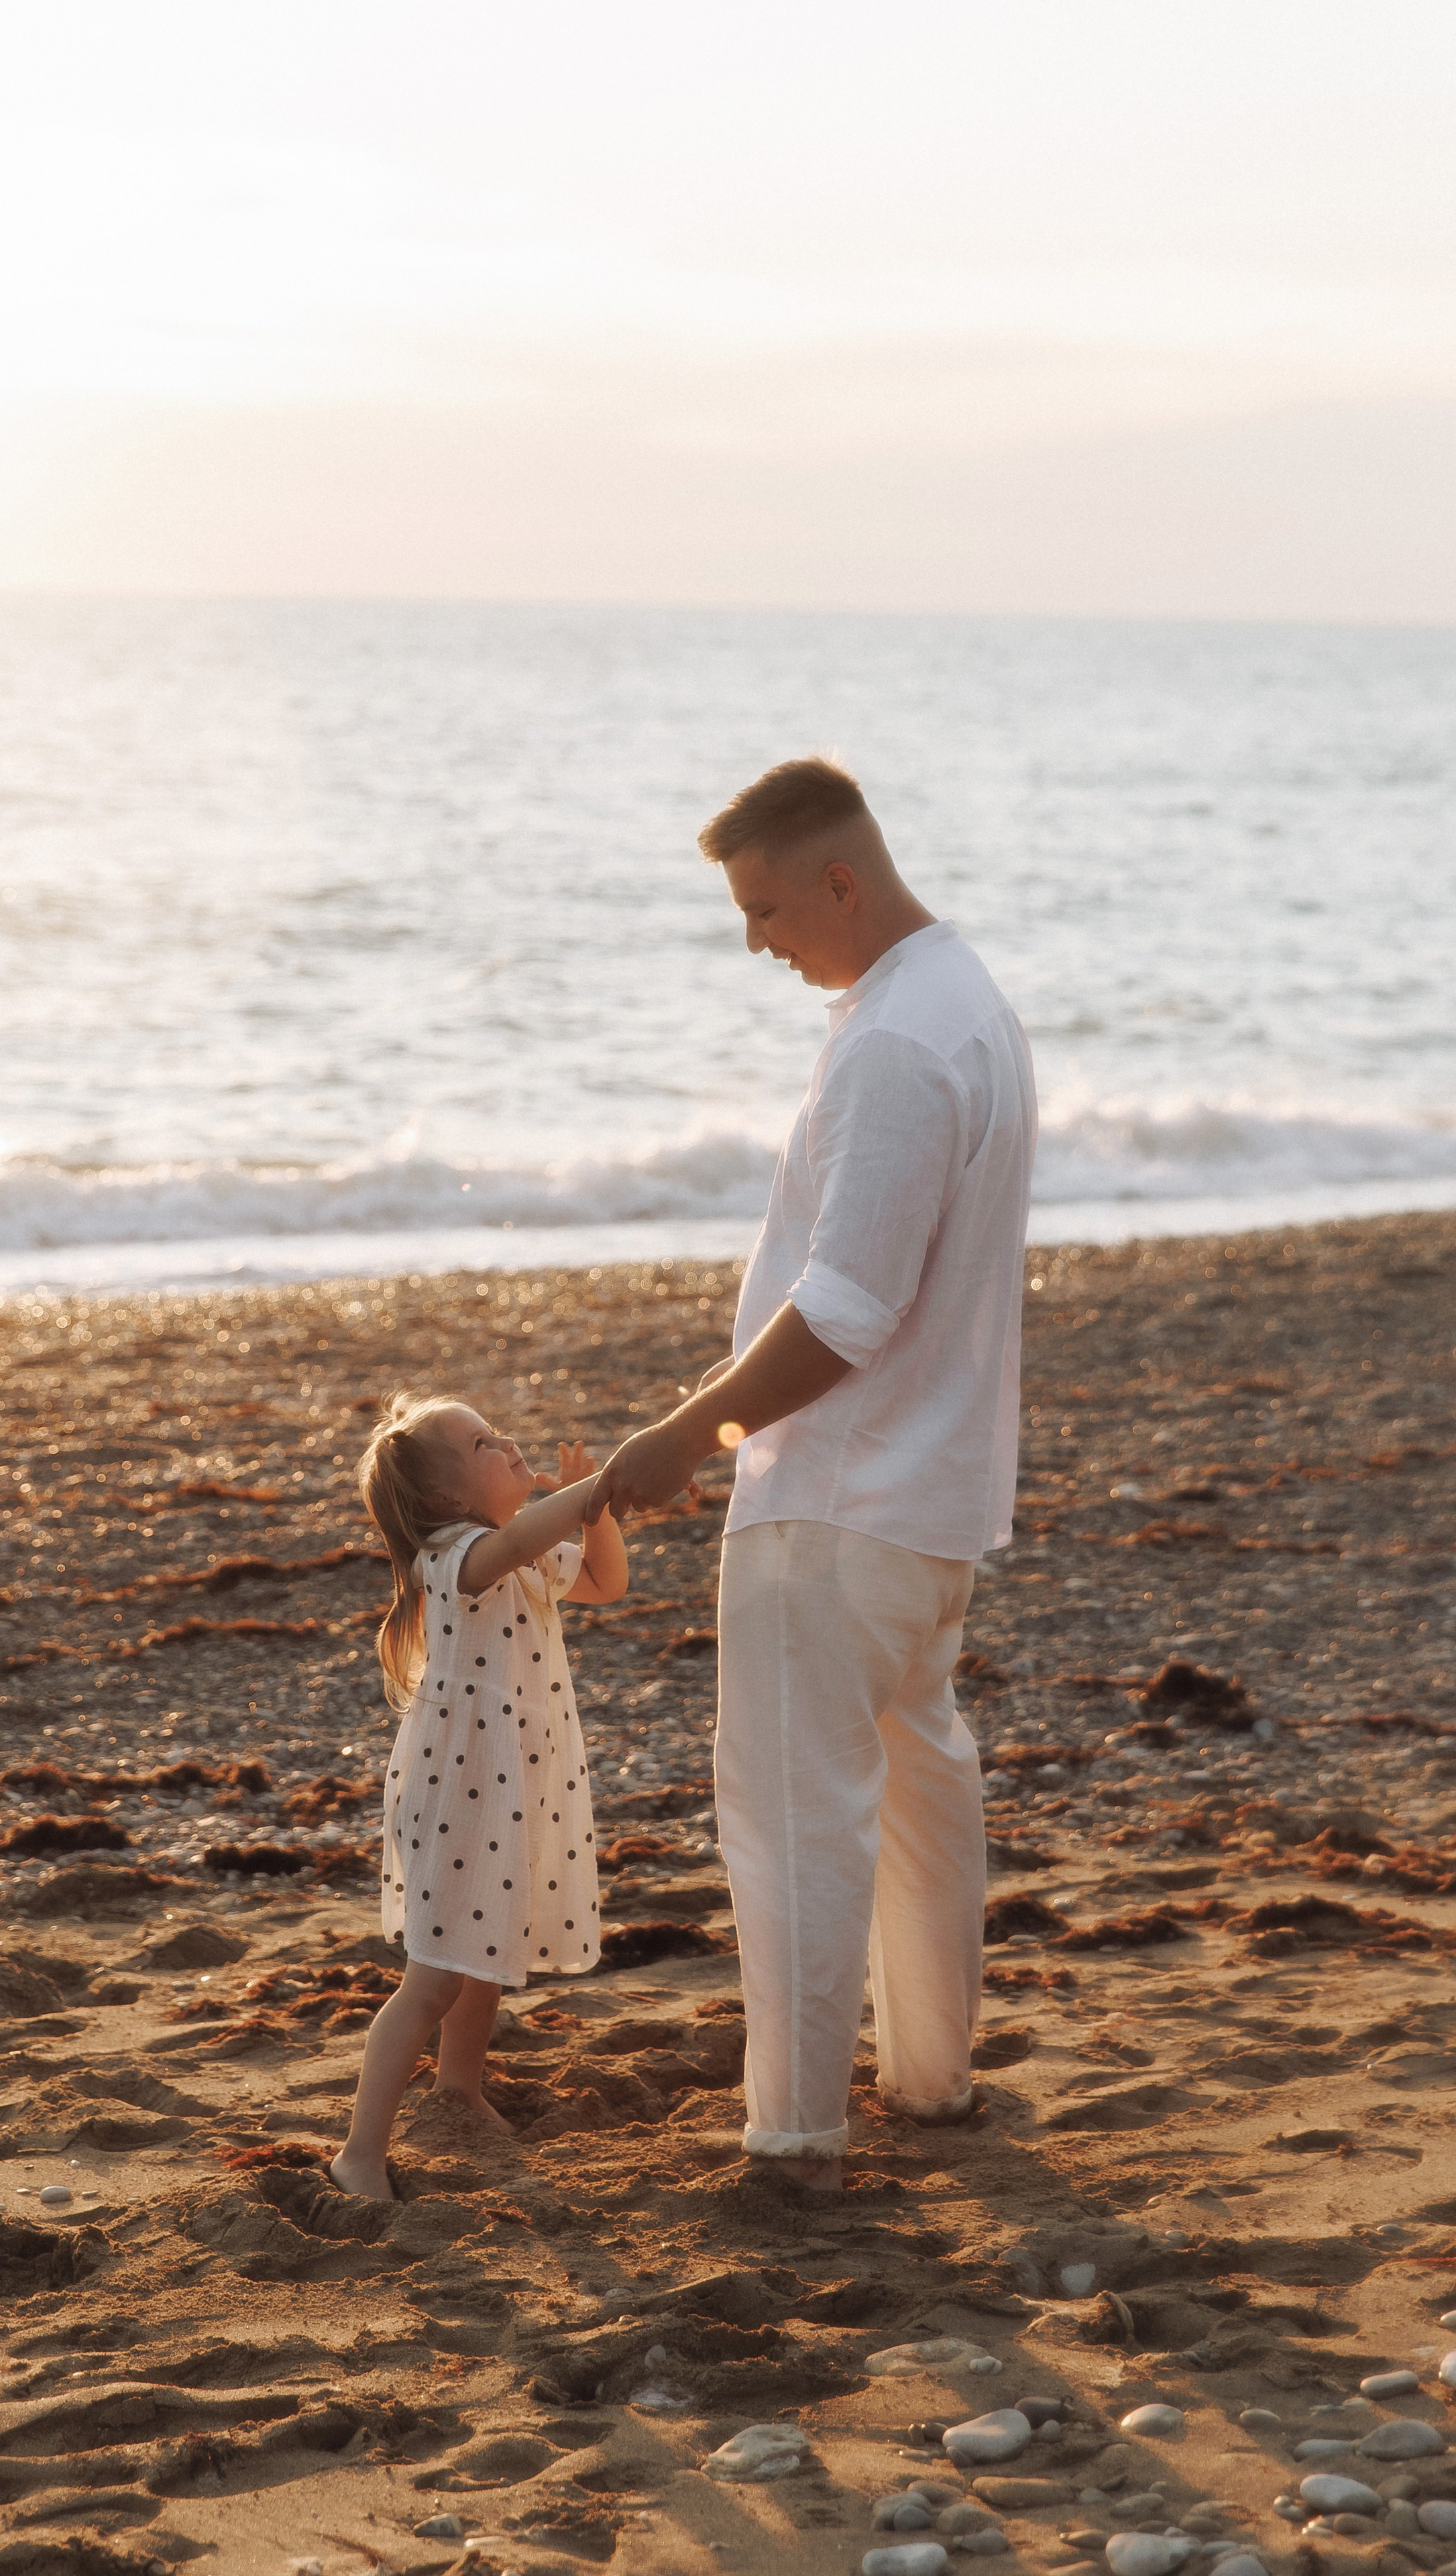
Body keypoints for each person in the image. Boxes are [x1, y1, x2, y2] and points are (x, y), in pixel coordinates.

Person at [585, 755, 1036, 2190]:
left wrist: (687, 1435)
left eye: (767, 907)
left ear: (839, 879)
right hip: (927, 1503)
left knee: (792, 1825)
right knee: (917, 1792)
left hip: (836, 1502)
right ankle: (933, 2083)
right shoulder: (965, 1004)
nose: (755, 940)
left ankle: (791, 2138)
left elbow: (845, 1307)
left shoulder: (898, 1041)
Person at [331, 1397, 629, 2200]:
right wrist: (598, 1488)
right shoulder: (457, 1556)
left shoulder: (522, 1554)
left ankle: (459, 2089)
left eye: (498, 1433)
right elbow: (525, 1536)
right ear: (445, 1501)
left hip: (514, 1782)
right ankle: (359, 2151)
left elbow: (606, 1581)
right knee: (433, 1978)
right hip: (458, 1789)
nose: (508, 1445)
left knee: (487, 1948)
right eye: (483, 1444)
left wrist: (598, 1513)